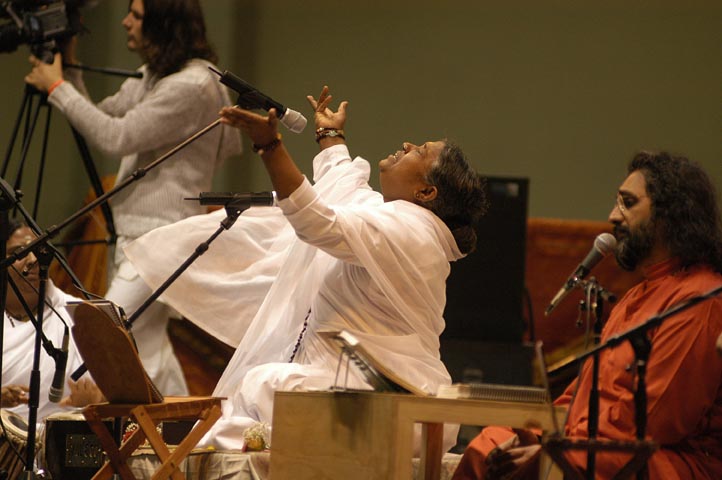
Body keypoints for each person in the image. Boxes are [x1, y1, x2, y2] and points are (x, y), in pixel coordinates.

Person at [123, 85, 488, 451]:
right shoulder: (393, 218)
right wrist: (331, 135)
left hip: (395, 401)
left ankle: (189, 449)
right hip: (368, 398)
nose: (408, 145)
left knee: (262, 386)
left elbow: (318, 221)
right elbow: (343, 185)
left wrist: (270, 147)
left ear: (426, 193)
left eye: (420, 152)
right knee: (258, 392)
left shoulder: (411, 231)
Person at [452, 151, 722, 480]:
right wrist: (540, 434)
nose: (613, 216)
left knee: (560, 465)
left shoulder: (700, 299)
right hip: (592, 444)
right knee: (491, 444)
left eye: (628, 203)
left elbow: (653, 421)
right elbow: (582, 395)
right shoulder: (638, 295)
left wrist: (555, 449)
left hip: (664, 459)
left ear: (671, 214)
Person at [24, 0, 242, 395]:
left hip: (161, 236)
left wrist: (56, 86)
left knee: (103, 330)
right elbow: (102, 115)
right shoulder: (157, 74)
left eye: (137, 15)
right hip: (137, 234)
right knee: (151, 350)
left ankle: (68, 417)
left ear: (163, 24)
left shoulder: (192, 84)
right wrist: (69, 70)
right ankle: (182, 441)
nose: (126, 21)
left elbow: (114, 137)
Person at [2, 220, 104, 426]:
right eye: (19, 252)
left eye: (39, 251)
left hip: (63, 444)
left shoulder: (79, 313)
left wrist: (95, 402)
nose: (32, 259)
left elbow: (121, 394)